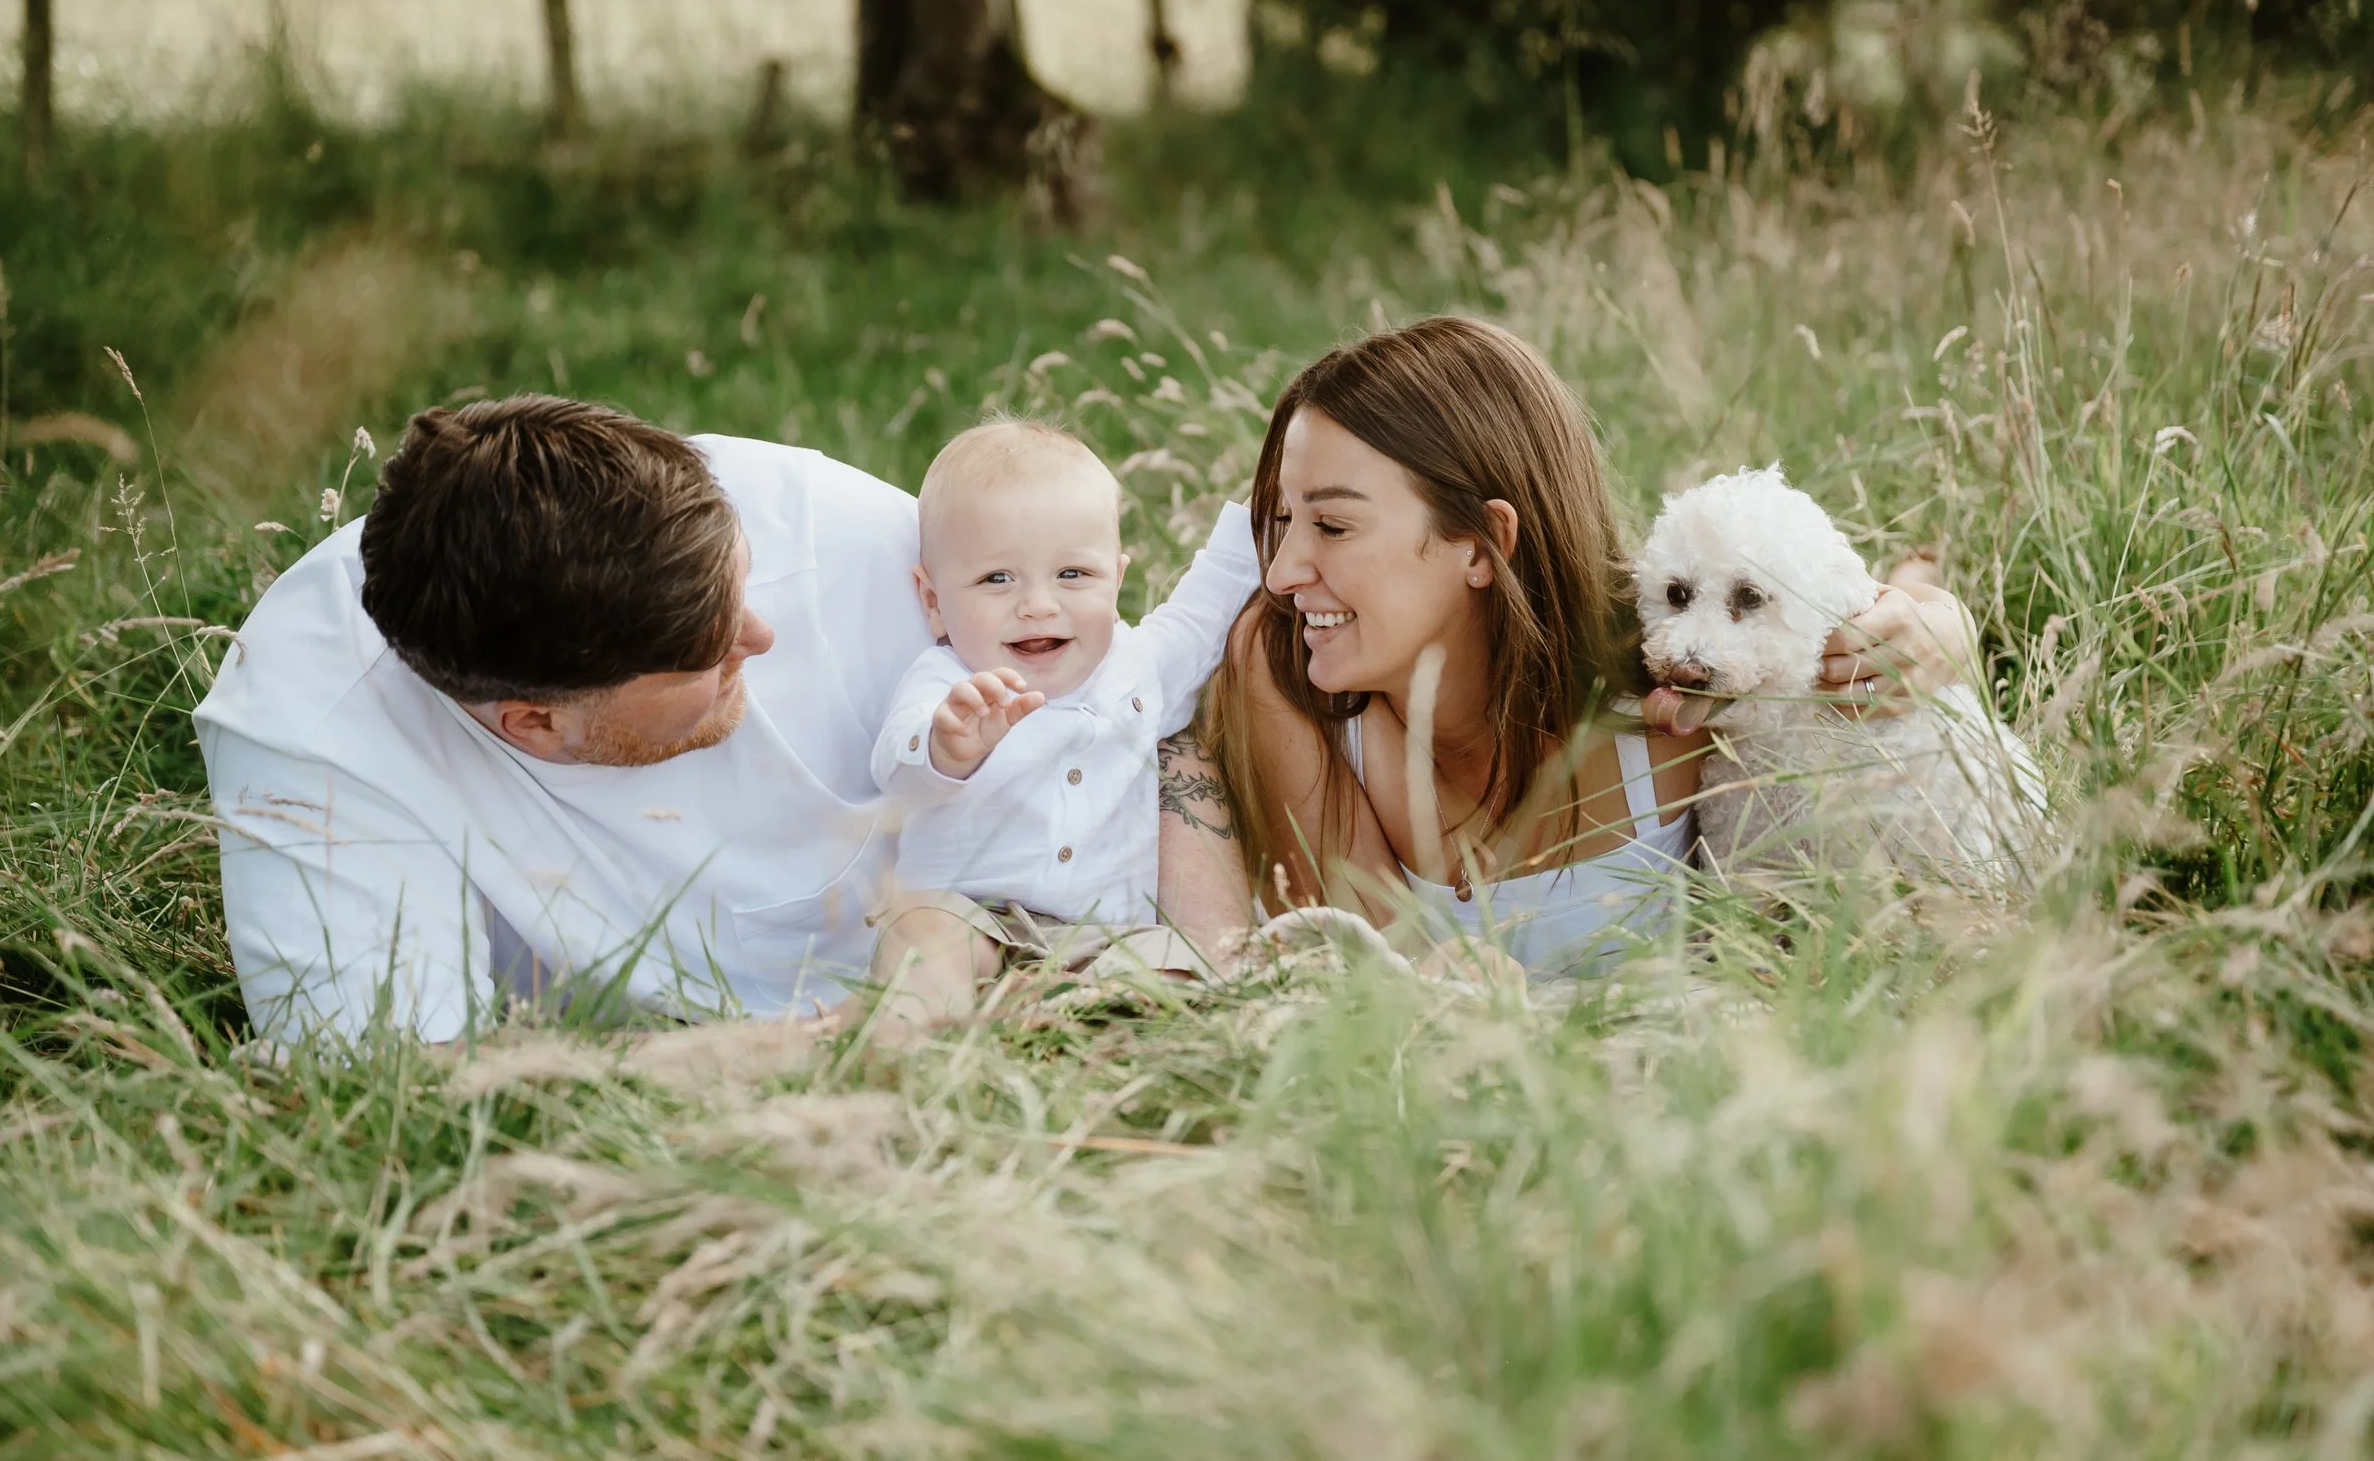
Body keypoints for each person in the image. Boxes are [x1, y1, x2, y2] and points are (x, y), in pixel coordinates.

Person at [193, 396, 1260, 1042]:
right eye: (708, 654)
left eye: (740, 583)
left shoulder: (828, 526)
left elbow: (1124, 708)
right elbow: (404, 1092)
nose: (760, 632)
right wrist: (816, 1053)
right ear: (534, 725)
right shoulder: (317, 731)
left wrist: (1215, 966)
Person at [1194, 316, 1982, 972]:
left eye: (1332, 525)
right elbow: (1378, 985)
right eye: (1282, 520)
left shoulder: (1670, 674)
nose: (1283, 572)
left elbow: (1846, 628)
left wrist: (1943, 623)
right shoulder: (1288, 672)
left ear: (1483, 543)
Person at [864, 419, 1252, 1027]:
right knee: (924, 940)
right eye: (997, 579)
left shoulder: (1138, 667)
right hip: (973, 915)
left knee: (1177, 966)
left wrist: (1261, 518)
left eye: (1073, 575)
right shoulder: (948, 682)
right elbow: (896, 770)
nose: (1039, 605)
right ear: (934, 602)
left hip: (1107, 937)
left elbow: (1207, 610)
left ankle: (1074, 1026)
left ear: (1117, 580)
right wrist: (945, 748)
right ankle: (903, 1048)